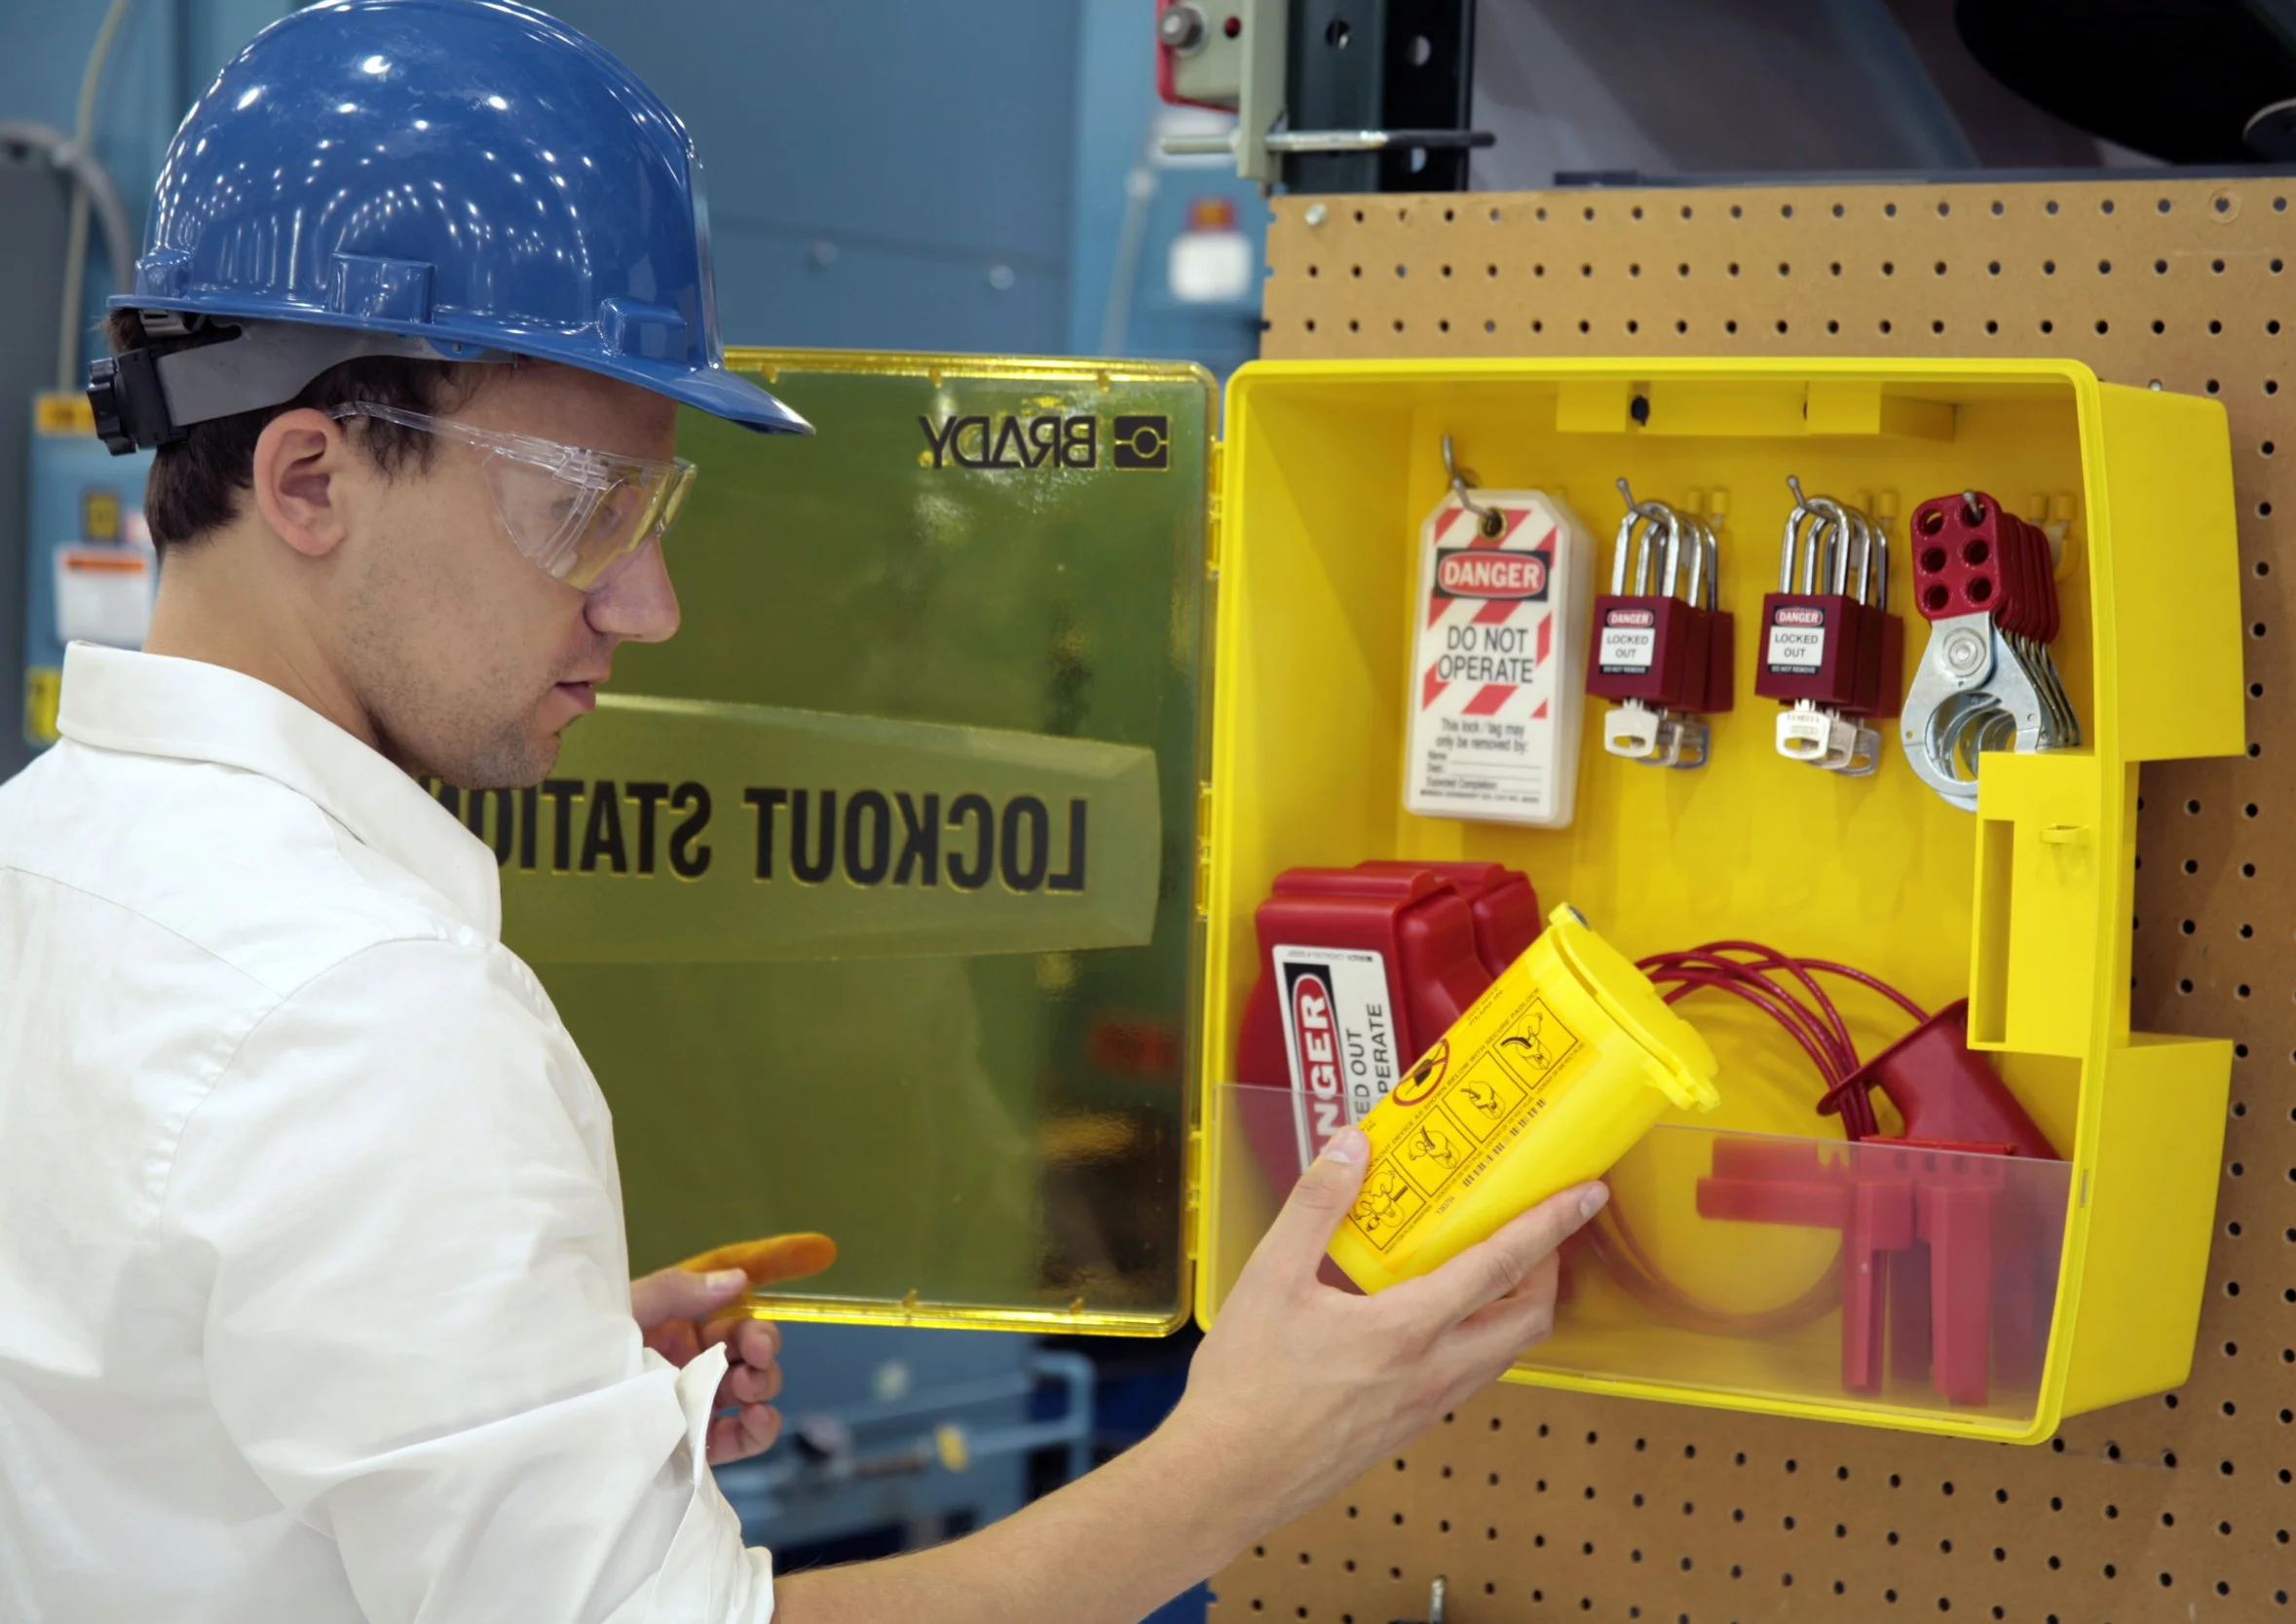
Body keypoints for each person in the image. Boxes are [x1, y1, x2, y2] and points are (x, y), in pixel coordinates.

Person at [0, 2, 1609, 1621]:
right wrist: (1250, 1450)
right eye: (583, 508)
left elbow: (146, 1436)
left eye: (656, 508)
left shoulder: (42, 860)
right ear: (307, 480)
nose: (649, 605)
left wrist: (487, 1384)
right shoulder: (365, 1008)